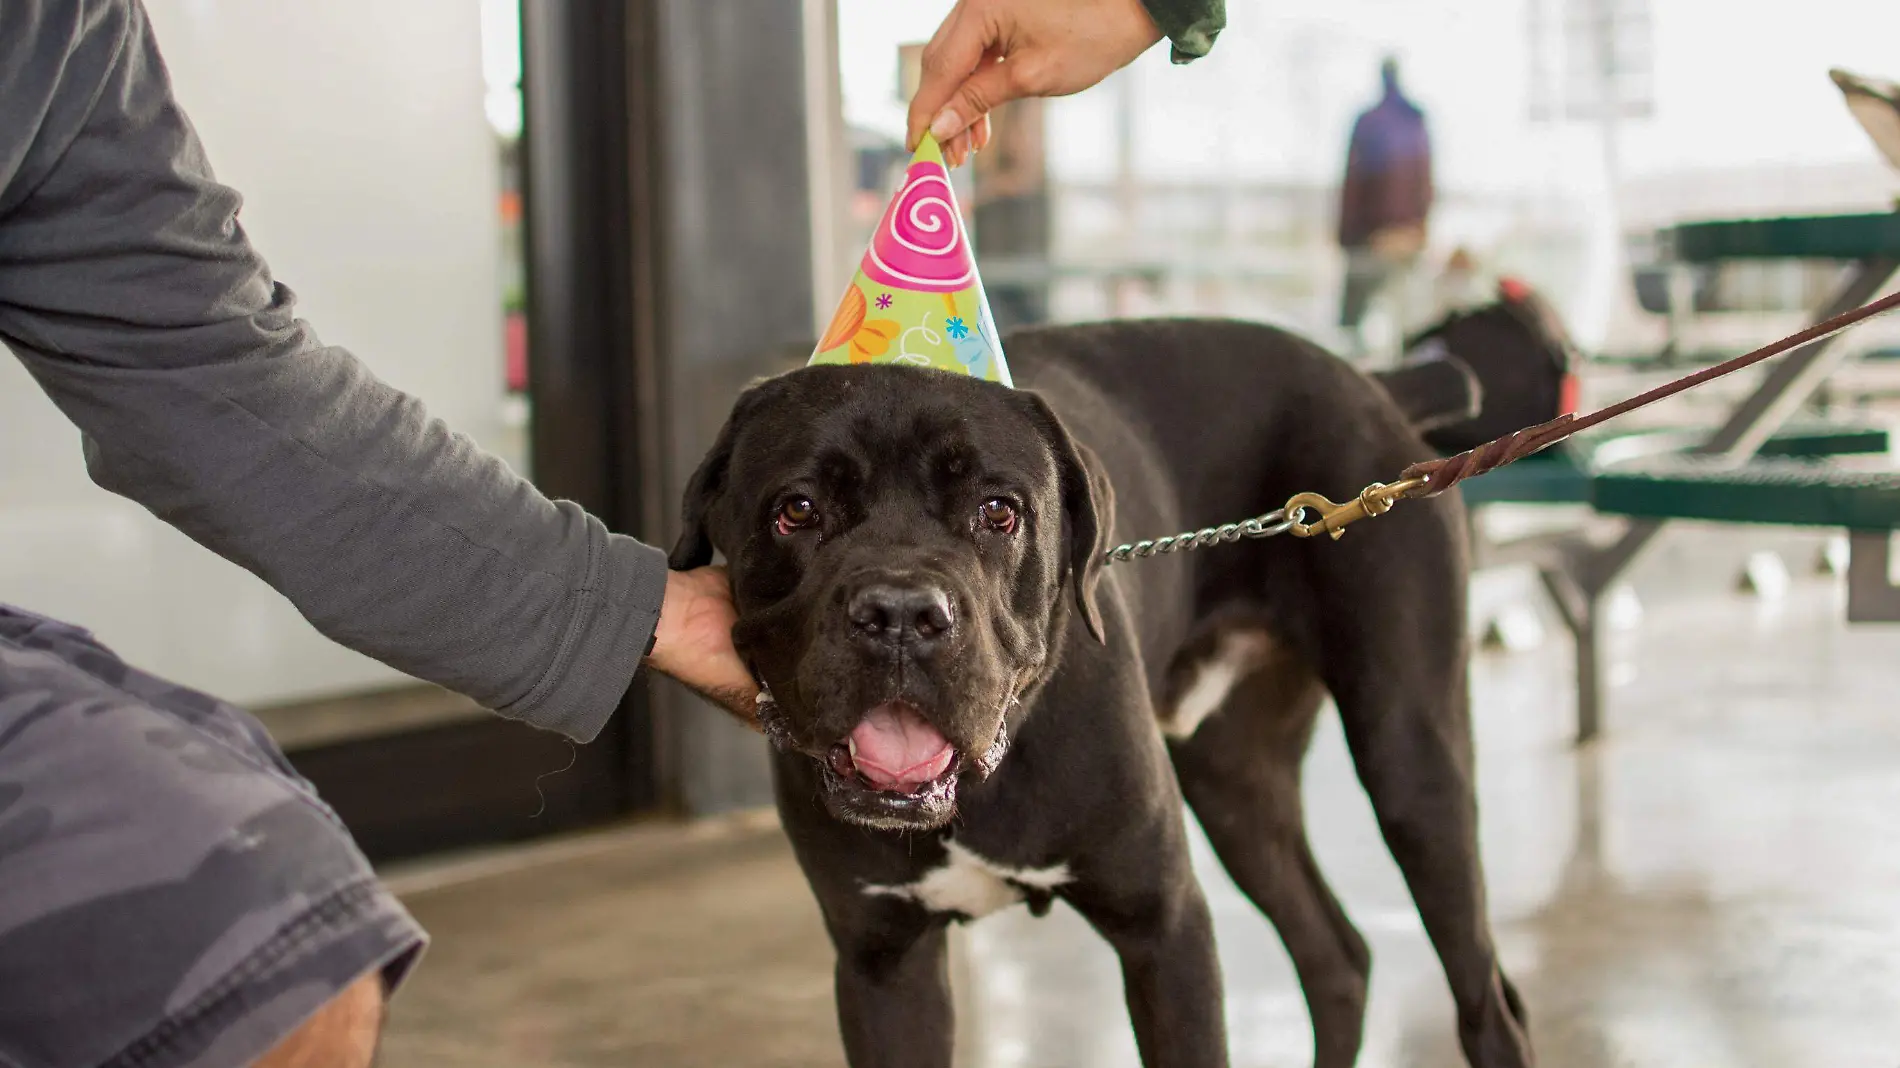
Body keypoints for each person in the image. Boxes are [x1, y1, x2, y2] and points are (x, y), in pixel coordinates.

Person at [0, 0, 1224, 1064]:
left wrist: (615, 603)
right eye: (799, 511)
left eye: (989, 515)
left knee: (275, 943)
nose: (903, 593)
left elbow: (198, 361)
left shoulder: (58, 41)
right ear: (721, 526)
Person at [1336, 57, 1435, 359]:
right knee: (1405, 331)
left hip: (1374, 240)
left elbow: (1353, 184)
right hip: (1399, 239)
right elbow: (1425, 181)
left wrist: (1348, 237)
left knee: (1354, 333)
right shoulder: (1413, 120)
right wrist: (1417, 229)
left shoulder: (1369, 121)